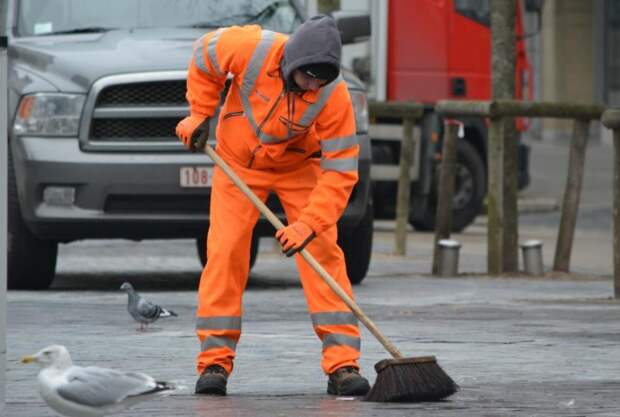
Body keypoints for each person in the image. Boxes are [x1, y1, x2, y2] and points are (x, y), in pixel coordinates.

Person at [176, 15, 370, 397]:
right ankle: (214, 362)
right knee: (226, 251)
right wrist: (200, 112)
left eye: (321, 79)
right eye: (308, 77)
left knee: (323, 252)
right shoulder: (248, 47)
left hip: (300, 167)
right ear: (291, 62)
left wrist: (309, 224)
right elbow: (203, 56)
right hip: (238, 165)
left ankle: (343, 364)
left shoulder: (335, 95)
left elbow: (341, 172)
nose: (314, 85)